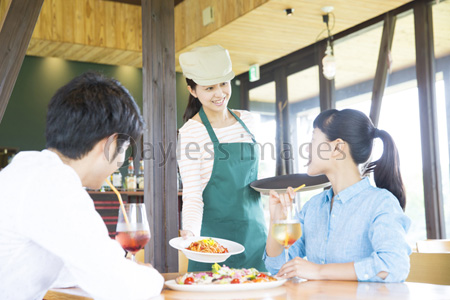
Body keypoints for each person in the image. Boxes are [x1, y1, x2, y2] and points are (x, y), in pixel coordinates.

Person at [0, 72, 164, 300]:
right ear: (109, 144)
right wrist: (153, 277)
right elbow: (121, 287)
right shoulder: (53, 186)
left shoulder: (29, 170)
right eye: (125, 150)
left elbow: (65, 269)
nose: (120, 164)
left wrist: (120, 268)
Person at [264, 109, 411, 282]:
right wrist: (276, 220)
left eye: (313, 140)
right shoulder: (313, 207)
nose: (307, 149)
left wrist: (319, 271)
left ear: (338, 148)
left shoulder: (381, 203)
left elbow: (394, 265)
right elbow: (278, 267)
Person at [177, 45, 267, 271]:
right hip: (212, 245)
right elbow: (193, 195)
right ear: (193, 90)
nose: (220, 94)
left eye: (224, 84)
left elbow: (261, 180)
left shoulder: (249, 121)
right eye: (209, 88)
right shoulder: (191, 132)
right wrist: (190, 233)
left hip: (256, 237)